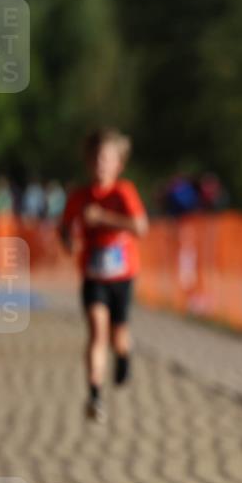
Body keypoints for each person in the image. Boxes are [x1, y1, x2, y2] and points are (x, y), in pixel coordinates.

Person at [59, 128, 149, 422]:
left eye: (107, 159)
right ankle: (95, 395)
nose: (101, 164)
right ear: (88, 161)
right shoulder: (79, 196)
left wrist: (104, 218)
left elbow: (141, 227)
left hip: (122, 275)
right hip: (93, 275)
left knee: (118, 338)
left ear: (118, 164)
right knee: (97, 331)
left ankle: (123, 356)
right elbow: (64, 228)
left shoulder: (123, 192)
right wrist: (69, 242)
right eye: (96, 157)